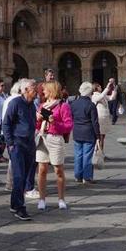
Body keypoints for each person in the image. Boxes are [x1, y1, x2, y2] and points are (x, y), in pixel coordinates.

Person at [35, 81, 73, 211]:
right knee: (42, 170)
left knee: (58, 170)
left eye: (45, 90)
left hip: (56, 138)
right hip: (42, 138)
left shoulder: (63, 106)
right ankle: (42, 199)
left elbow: (68, 126)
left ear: (51, 91)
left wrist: (54, 122)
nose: (42, 92)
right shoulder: (42, 106)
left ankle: (61, 199)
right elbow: (37, 126)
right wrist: (38, 120)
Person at [3, 78, 37, 221]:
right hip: (17, 144)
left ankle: (13, 203)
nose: (36, 92)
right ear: (25, 91)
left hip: (29, 144)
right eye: (33, 89)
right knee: (19, 176)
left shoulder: (32, 105)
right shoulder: (15, 103)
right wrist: (10, 143)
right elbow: (6, 123)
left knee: (27, 175)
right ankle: (19, 207)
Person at [71, 82, 100, 184]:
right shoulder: (91, 105)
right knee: (87, 155)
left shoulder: (74, 104)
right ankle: (87, 177)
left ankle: (78, 176)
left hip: (77, 131)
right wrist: (98, 135)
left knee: (78, 154)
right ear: (90, 92)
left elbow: (72, 118)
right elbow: (95, 122)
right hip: (88, 132)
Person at [92, 80, 114, 152]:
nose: (101, 87)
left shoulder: (102, 95)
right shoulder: (94, 96)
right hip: (99, 118)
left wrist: (114, 90)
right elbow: (101, 96)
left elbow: (111, 98)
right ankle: (98, 152)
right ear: (96, 88)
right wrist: (108, 86)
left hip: (104, 119)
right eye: (99, 86)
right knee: (100, 136)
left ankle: (101, 151)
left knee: (103, 136)